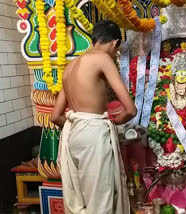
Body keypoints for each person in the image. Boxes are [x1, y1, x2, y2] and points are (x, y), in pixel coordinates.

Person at [51, 20, 137, 214]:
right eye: (116, 51)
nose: (115, 55)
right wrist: (111, 123)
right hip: (93, 135)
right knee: (101, 204)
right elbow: (130, 109)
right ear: (115, 43)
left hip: (72, 135)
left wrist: (81, 124)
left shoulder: (70, 66)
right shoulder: (102, 59)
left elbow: (55, 116)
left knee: (81, 201)